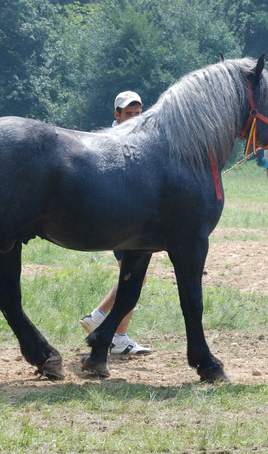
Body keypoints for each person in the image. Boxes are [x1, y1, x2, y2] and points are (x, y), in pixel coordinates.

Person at [79, 91, 152, 355]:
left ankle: (105, 323)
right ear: (116, 115)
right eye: (128, 113)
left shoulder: (138, 138)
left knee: (135, 277)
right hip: (122, 216)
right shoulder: (111, 140)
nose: (133, 117)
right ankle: (110, 328)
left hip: (133, 215)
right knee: (134, 277)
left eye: (137, 113)